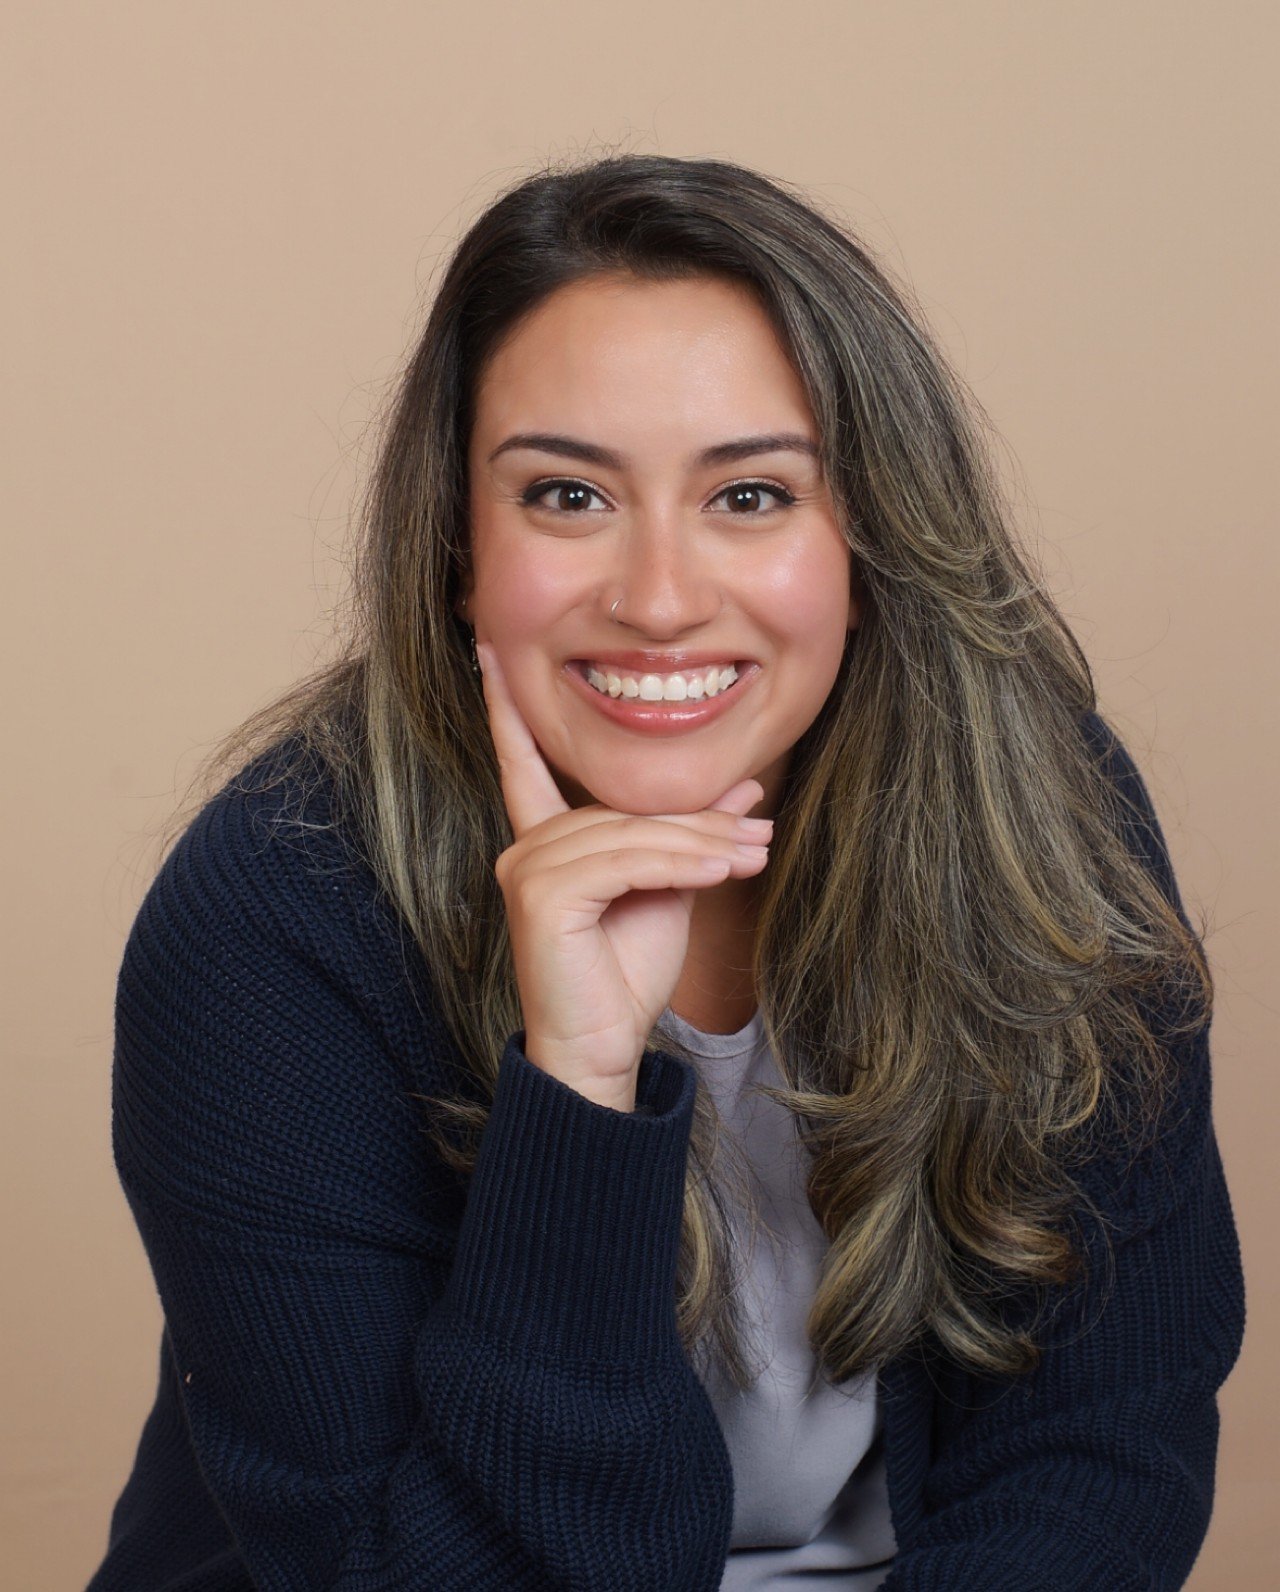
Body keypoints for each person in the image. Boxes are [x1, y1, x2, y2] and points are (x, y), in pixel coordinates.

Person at [86, 153, 1245, 1590]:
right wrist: (578, 1089)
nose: (656, 600)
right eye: (567, 496)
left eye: (751, 496)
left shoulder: (1038, 813)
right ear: (459, 546)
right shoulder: (272, 923)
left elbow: (1101, 1450)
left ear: (868, 539)